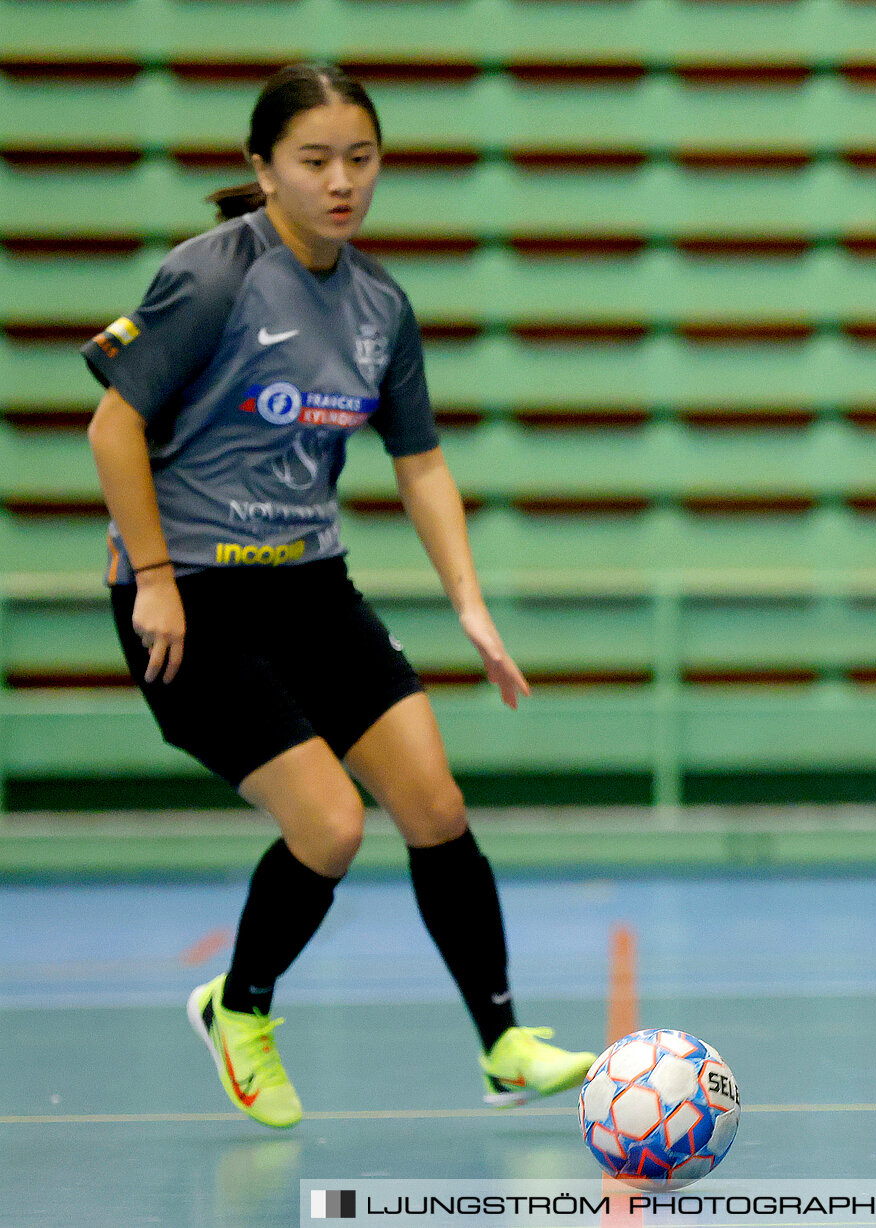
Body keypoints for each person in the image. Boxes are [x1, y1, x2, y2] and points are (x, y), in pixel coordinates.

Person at [81, 63, 597, 1130]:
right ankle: (241, 1009)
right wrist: (160, 580)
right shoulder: (212, 278)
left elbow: (420, 463)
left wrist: (469, 604)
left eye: (360, 158)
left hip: (314, 589)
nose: (341, 181)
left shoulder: (378, 304)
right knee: (329, 826)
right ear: (261, 167)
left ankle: (503, 1042)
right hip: (195, 606)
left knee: (436, 807)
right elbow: (113, 425)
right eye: (314, 160)